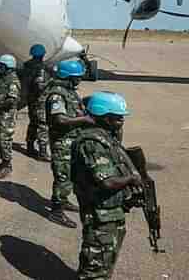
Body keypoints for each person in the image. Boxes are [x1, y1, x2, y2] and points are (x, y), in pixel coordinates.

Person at [71, 91, 141, 279]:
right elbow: (107, 182)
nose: (121, 122)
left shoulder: (106, 137)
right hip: (99, 214)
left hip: (110, 212)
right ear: (104, 117)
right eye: (117, 118)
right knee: (95, 268)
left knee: (105, 261)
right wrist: (131, 179)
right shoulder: (92, 143)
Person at [45, 59, 94, 228]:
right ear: (68, 77)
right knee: (63, 176)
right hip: (62, 142)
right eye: (77, 77)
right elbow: (59, 119)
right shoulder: (57, 94)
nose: (79, 80)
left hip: (71, 140)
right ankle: (56, 212)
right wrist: (84, 120)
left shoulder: (69, 91)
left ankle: (63, 200)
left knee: (70, 174)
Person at [0, 54, 21, 179]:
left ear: (8, 67)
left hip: (7, 115)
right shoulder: (2, 78)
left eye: (1, 65)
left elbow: (11, 101)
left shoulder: (13, 81)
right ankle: (3, 161)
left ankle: (7, 165)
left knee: (5, 139)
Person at [23, 44, 51, 161]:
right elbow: (40, 86)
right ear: (43, 54)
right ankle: (43, 152)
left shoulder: (27, 66)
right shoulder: (41, 68)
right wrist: (51, 84)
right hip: (40, 100)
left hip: (30, 99)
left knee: (33, 123)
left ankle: (29, 146)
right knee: (42, 125)